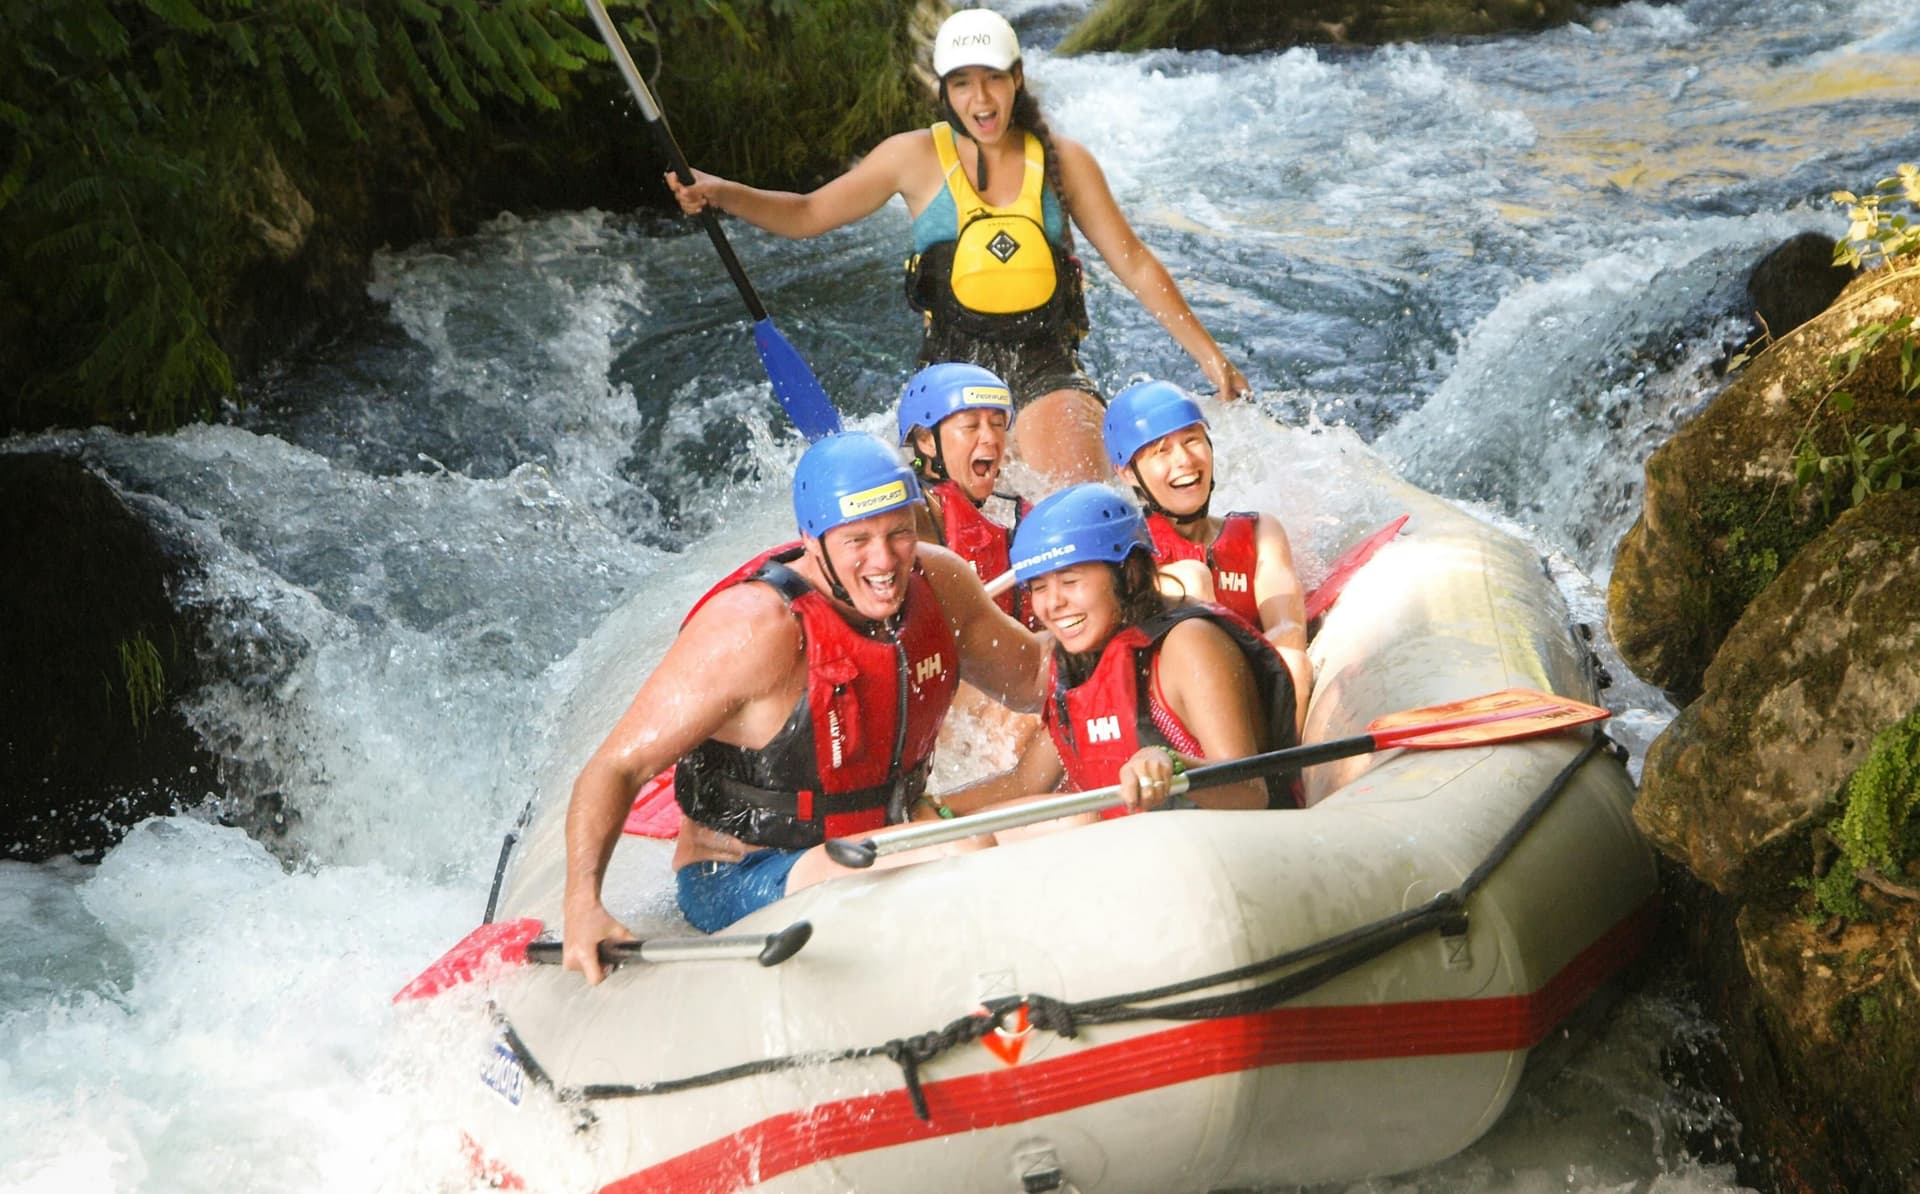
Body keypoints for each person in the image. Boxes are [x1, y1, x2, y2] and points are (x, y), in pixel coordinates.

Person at [666, 8, 1251, 485]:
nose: (982, 97)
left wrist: (1208, 357)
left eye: (994, 78)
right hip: (948, 375)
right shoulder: (911, 157)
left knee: (1079, 497)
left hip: (1047, 368)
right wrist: (723, 193)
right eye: (963, 82)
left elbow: (1135, 262)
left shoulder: (1064, 161)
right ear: (944, 91)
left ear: (1017, 78)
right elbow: (807, 214)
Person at [561, 432, 1047, 983]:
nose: (884, 560)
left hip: (889, 836)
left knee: (1056, 827)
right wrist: (583, 903)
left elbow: (1034, 678)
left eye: (898, 533)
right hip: (747, 871)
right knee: (960, 852)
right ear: (811, 541)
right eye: (857, 540)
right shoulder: (753, 629)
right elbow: (616, 766)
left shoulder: (941, 583)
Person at [933, 484, 1300, 823]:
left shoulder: (1189, 645)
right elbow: (1025, 783)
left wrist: (1172, 765)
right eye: (1039, 587)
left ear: (1129, 575)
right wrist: (937, 809)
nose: (1053, 603)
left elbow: (1249, 792)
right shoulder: (1079, 662)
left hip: (1233, 857)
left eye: (1071, 581)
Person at [1103, 379, 1311, 730]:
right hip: (1169, 711)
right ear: (1127, 473)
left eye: (1192, 441)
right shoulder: (1124, 554)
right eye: (1160, 451)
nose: (1184, 460)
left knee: (1294, 664)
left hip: (1250, 691)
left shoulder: (1261, 533)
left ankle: (1282, 781)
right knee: (1190, 578)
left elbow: (1288, 627)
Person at [897, 360, 1026, 619]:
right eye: (971, 426)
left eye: (998, 424)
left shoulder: (1014, 507)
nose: (991, 437)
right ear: (926, 441)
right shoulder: (911, 514)